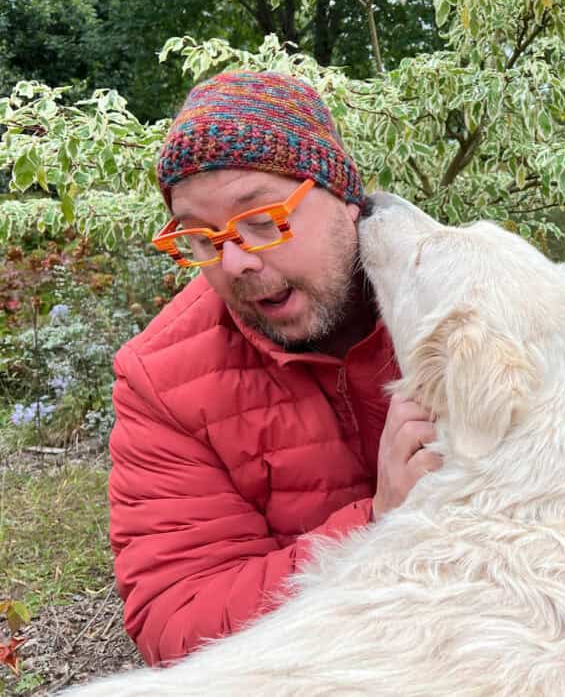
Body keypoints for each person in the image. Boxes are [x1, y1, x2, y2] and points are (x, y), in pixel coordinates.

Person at [109, 70, 442, 666]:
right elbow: (178, 621)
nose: (233, 262)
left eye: (261, 221)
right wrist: (379, 521)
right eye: (202, 238)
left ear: (344, 199)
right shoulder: (161, 379)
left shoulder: (458, 303)